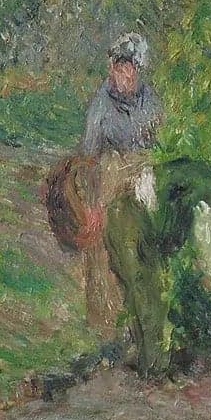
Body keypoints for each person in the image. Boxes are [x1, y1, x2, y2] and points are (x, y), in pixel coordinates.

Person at [103, 159, 211, 378]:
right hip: (133, 222)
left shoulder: (209, 180)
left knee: (141, 296)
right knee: (150, 296)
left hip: (125, 216)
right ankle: (154, 370)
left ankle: (147, 364)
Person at [77, 32, 160, 338]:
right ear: (111, 68)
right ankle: (107, 326)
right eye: (119, 67)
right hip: (107, 175)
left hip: (140, 173)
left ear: (137, 70)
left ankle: (145, 317)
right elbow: (89, 158)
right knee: (102, 245)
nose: (124, 74)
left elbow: (156, 145)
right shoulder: (100, 105)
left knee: (142, 241)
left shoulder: (149, 101)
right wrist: (92, 205)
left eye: (130, 68)